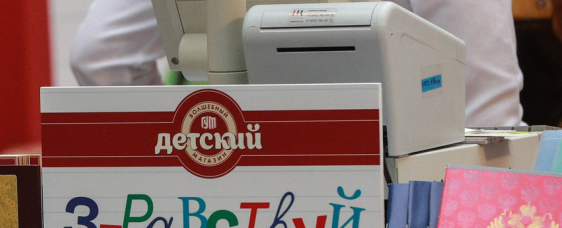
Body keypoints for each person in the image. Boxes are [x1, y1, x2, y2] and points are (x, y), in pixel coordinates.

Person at [70, 0, 524, 127]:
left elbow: (101, 56)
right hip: (391, 202)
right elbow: (486, 111)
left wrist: (174, 168)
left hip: (233, 204)